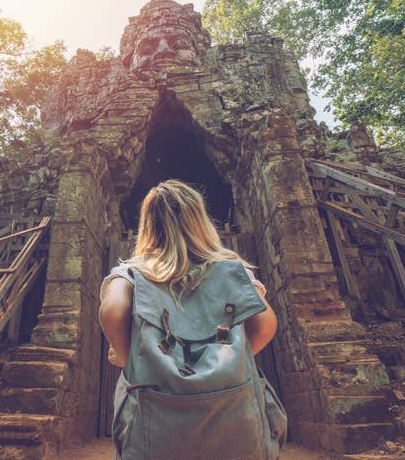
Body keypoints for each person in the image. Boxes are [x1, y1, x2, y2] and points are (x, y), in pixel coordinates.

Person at [99, 179, 280, 460]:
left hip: (156, 433)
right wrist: (228, 363)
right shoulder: (234, 270)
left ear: (148, 226)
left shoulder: (132, 273)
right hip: (236, 427)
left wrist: (133, 357)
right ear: (200, 221)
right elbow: (266, 325)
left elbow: (112, 311)